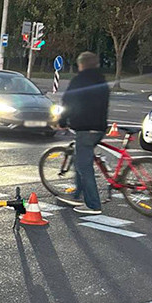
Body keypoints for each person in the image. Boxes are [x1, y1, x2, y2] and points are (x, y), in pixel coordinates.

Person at [56, 51, 110, 215]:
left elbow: (68, 102)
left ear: (81, 65)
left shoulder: (79, 81)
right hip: (99, 128)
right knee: (80, 159)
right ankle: (77, 195)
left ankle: (93, 205)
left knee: (83, 166)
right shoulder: (102, 80)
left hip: (85, 128)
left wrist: (62, 121)